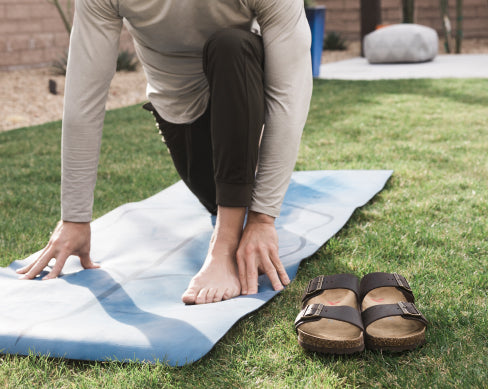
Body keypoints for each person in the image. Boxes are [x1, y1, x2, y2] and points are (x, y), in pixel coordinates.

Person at [17, 0, 313, 305]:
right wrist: (75, 220)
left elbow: (289, 93)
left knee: (232, 45)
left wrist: (262, 219)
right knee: (216, 198)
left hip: (246, 98)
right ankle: (241, 188)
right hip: (183, 118)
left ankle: (223, 247)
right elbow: (84, 97)